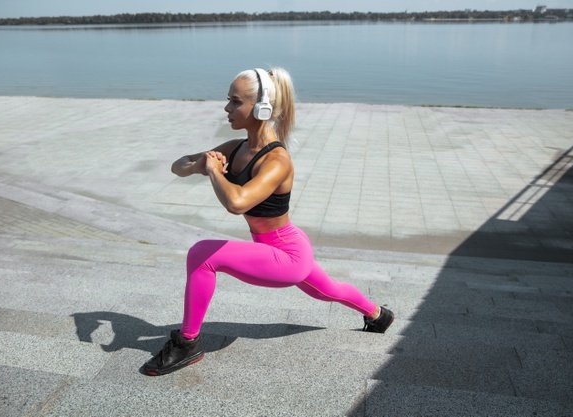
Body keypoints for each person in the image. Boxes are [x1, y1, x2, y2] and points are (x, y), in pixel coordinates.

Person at [142, 67, 394, 376]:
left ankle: (188, 342)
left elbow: (237, 203)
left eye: (235, 101)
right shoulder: (235, 148)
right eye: (228, 100)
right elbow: (176, 166)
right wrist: (199, 164)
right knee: (328, 289)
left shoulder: (277, 161)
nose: (227, 108)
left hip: (287, 255)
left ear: (262, 108)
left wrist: (212, 172)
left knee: (202, 255)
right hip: (282, 244)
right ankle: (378, 315)